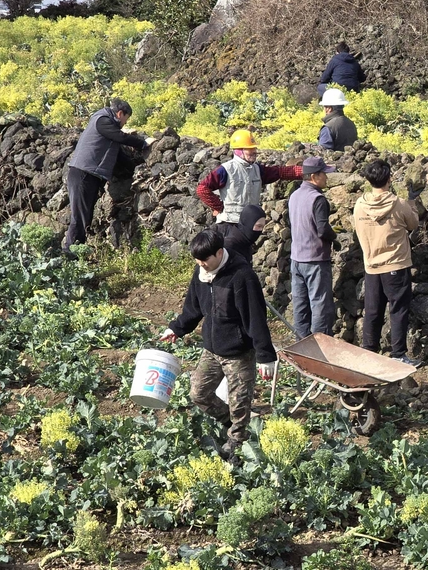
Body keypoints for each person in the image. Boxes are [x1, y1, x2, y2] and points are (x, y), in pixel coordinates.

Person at [162, 228, 277, 460]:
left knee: (240, 403)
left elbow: (256, 317)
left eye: (205, 259)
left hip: (239, 353)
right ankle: (231, 423)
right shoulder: (202, 273)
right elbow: (192, 308)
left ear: (219, 252)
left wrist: (265, 355)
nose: (201, 264)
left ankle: (236, 446)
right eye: (197, 260)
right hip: (212, 349)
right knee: (198, 393)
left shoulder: (242, 276)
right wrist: (176, 328)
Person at [353, 159, 421, 366]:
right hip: (396, 265)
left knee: (373, 310)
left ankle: (369, 350)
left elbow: (357, 229)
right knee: (398, 310)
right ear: (389, 178)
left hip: (371, 265)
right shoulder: (398, 204)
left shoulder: (360, 205)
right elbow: (413, 224)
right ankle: (398, 353)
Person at [63, 98, 148, 251]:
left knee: (84, 215)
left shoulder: (107, 127)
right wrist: (143, 143)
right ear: (120, 113)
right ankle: (70, 252)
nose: (124, 125)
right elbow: (121, 137)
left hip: (87, 174)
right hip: (83, 173)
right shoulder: (102, 120)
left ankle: (75, 252)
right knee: (80, 216)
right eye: (125, 120)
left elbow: (118, 155)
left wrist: (135, 168)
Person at [196, 130, 302, 237]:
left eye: (254, 148)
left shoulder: (257, 170)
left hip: (248, 225)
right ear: (238, 150)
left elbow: (281, 172)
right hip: (229, 225)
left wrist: (305, 171)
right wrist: (219, 207)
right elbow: (202, 189)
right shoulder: (226, 169)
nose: (254, 151)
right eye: (250, 148)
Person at [289, 157, 338, 338]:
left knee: (300, 304)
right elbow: (322, 228)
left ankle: (300, 346)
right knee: (319, 305)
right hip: (315, 260)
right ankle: (320, 347)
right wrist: (335, 238)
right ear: (314, 176)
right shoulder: (317, 199)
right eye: (323, 173)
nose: (326, 177)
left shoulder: (294, 196)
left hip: (296, 259)